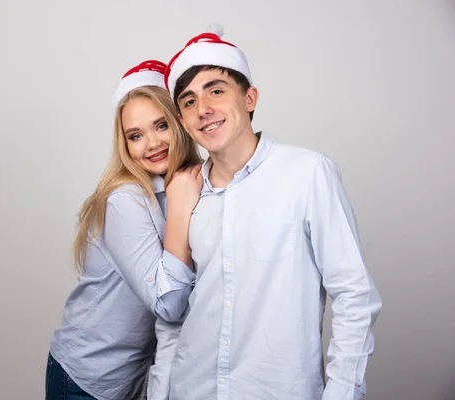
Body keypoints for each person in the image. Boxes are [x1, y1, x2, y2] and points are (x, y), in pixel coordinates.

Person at [154, 25, 383, 400]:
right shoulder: (186, 193)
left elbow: (354, 296)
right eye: (189, 101)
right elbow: (172, 318)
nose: (204, 109)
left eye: (216, 90)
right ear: (182, 120)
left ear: (249, 99)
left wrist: (342, 394)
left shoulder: (307, 173)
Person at [45, 60, 202, 400]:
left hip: (139, 378)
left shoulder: (191, 183)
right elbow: (169, 305)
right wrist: (179, 207)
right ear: (125, 144)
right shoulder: (125, 200)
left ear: (179, 122)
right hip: (87, 379)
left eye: (160, 125)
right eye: (135, 135)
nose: (151, 143)